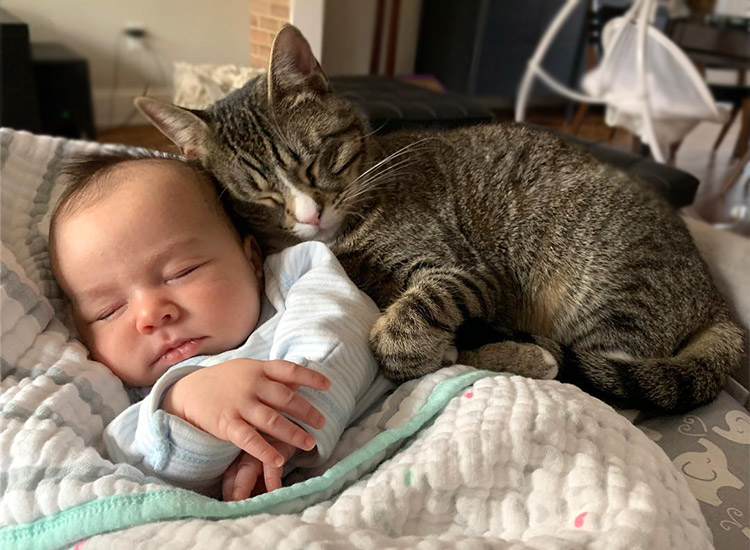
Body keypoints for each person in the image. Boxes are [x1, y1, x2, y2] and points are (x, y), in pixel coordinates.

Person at [48, 151, 389, 500]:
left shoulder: (294, 280)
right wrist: (185, 406)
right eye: (109, 310)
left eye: (182, 272)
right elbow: (140, 468)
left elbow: (347, 325)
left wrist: (287, 423)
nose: (150, 315)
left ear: (252, 259)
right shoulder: (138, 404)